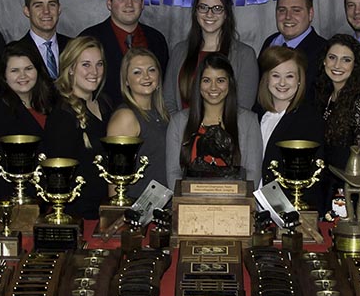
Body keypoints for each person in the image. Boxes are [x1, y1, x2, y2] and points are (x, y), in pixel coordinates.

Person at [0, 41, 58, 203]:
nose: (23, 76)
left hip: (54, 197)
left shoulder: (52, 102)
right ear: (3, 76)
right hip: (15, 203)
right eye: (14, 70)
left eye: (28, 69)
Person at [165, 53, 262, 190]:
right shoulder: (178, 122)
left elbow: (253, 174)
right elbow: (173, 173)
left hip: (235, 206)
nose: (213, 87)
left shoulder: (249, 121)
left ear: (230, 83)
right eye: (206, 80)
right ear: (198, 84)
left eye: (220, 80)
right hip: (190, 206)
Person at [43, 36, 112, 219]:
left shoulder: (105, 103)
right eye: (86, 65)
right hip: (80, 214)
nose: (94, 72)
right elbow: (60, 178)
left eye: (99, 64)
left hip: (106, 208)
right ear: (71, 68)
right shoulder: (62, 115)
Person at [163, 0, 258, 113]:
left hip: (227, 132)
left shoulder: (245, 55)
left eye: (217, 8)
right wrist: (181, 129)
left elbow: (243, 107)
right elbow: (169, 101)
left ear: (226, 14)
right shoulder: (179, 51)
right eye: (203, 7)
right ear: (195, 12)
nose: (209, 14)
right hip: (183, 131)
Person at [77, 0, 169, 106]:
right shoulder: (89, 39)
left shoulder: (157, 40)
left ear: (142, 3)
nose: (129, 5)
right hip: (104, 122)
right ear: (109, 3)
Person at [315, 34, 360, 217]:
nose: (337, 65)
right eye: (332, 58)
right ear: (324, 61)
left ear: (354, 66)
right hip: (325, 186)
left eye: (346, 60)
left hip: (347, 192)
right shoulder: (325, 95)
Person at [254, 46, 325, 193]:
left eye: (289, 76)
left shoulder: (310, 120)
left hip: (288, 207)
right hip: (251, 204)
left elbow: (316, 176)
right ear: (266, 78)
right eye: (275, 75)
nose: (282, 83)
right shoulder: (255, 115)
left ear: (300, 80)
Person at [105, 48, 170, 199]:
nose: (146, 76)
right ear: (126, 80)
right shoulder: (125, 117)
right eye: (137, 72)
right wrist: (118, 216)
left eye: (151, 70)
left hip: (163, 208)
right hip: (137, 211)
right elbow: (115, 181)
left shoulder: (164, 114)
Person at [258, 0, 326, 98]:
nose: (288, 17)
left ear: (310, 14)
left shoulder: (324, 51)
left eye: (296, 10)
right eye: (282, 10)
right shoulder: (270, 42)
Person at [17, 0, 71, 81]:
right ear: (27, 11)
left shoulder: (73, 47)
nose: (46, 11)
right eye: (38, 6)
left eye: (52, 4)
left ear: (59, 9)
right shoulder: (15, 51)